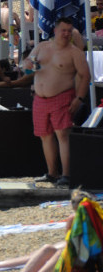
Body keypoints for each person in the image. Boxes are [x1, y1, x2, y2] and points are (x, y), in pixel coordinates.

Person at [21, 16, 91, 186]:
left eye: (69, 31)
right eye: (63, 30)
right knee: (44, 135)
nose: (66, 34)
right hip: (40, 98)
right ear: (55, 31)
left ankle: (66, 174)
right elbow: (25, 64)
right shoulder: (42, 47)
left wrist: (79, 98)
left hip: (62, 96)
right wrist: (28, 64)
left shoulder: (75, 52)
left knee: (62, 135)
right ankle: (52, 173)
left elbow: (85, 76)